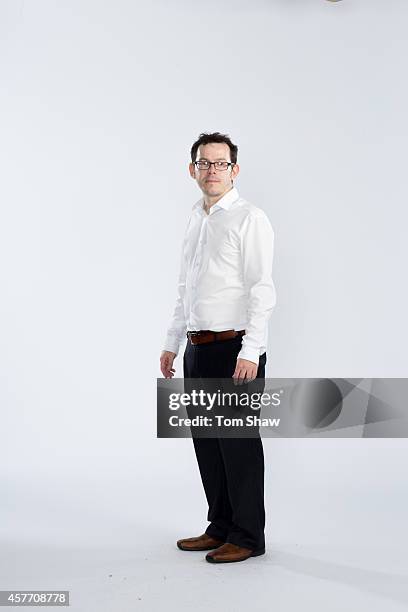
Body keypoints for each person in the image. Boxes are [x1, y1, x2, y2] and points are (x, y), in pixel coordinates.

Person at [160, 132, 276, 564]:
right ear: (193, 170)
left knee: (238, 443)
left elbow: (262, 289)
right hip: (197, 346)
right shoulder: (197, 218)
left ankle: (248, 536)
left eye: (221, 163)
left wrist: (251, 351)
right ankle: (221, 526)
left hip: (235, 348)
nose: (212, 171)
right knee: (208, 441)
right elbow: (185, 287)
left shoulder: (249, 218)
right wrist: (172, 341)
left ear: (234, 170)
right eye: (204, 163)